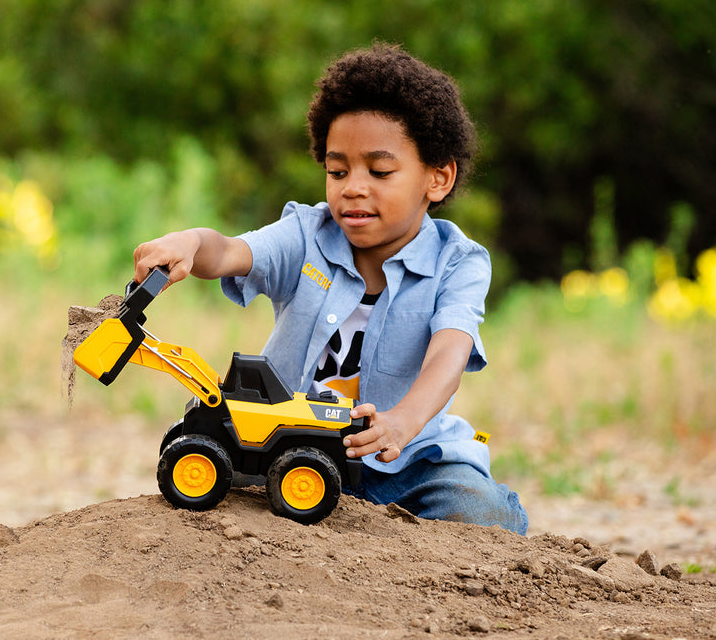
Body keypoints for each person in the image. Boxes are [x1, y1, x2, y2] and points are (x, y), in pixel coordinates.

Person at [132, 43, 527, 534]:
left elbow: (451, 350)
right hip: (294, 447)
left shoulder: (457, 262)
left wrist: (402, 422)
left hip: (407, 459)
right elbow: (232, 252)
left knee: (481, 512)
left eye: (379, 171)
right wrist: (189, 242)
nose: (352, 187)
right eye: (337, 171)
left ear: (437, 178)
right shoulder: (306, 235)